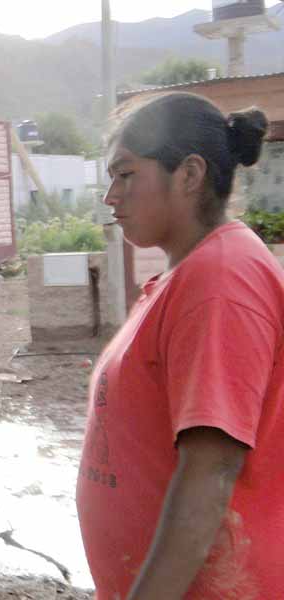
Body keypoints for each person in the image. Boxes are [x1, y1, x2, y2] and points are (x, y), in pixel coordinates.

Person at [76, 91, 284, 599]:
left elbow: (210, 475)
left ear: (189, 175)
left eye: (126, 175)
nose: (111, 196)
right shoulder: (189, 275)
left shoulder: (221, 279)